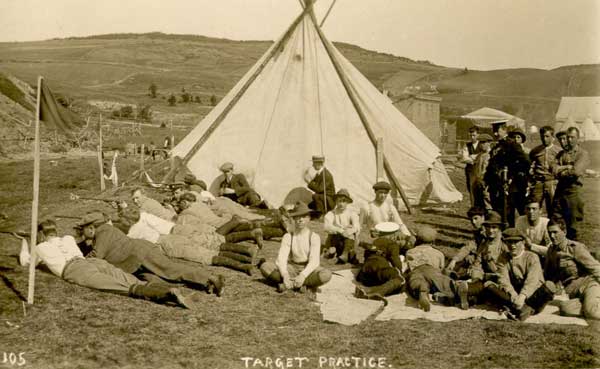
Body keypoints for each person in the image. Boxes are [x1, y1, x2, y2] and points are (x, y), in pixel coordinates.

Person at [33, 219, 191, 308]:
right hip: (90, 261)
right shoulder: (67, 238)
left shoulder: (40, 247)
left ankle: (163, 294)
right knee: (126, 277)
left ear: (41, 234)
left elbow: (26, 261)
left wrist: (25, 242)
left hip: (74, 269)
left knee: (116, 285)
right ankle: (169, 289)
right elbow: (78, 241)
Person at [77, 212, 225, 297]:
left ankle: (211, 277)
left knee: (171, 269)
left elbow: (97, 255)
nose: (80, 234)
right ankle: (203, 282)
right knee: (157, 279)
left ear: (91, 228)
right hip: (134, 260)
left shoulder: (103, 232)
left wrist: (79, 259)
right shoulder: (104, 231)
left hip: (141, 253)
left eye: (81, 230)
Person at [121, 207, 261, 276]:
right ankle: (245, 258)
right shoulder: (143, 217)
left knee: (204, 256)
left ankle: (243, 266)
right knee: (210, 247)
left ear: (127, 221)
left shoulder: (132, 232)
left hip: (166, 243)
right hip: (172, 236)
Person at [484, 228, 556, 321]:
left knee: (548, 287)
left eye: (516, 242)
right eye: (509, 242)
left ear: (523, 243)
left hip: (532, 294)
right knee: (490, 286)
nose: (512, 245)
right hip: (515, 294)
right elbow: (503, 279)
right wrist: (513, 294)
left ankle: (522, 309)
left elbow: (532, 280)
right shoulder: (503, 258)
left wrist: (523, 296)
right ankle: (523, 310)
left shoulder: (532, 257)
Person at [260, 202, 332, 293]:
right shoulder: (288, 236)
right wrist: (285, 275)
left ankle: (292, 284)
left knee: (326, 274)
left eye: (304, 217)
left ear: (309, 218)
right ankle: (301, 285)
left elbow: (314, 262)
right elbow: (281, 259)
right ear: (294, 218)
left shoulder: (314, 237)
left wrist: (303, 275)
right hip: (292, 268)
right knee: (265, 266)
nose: (301, 220)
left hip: (308, 269)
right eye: (298, 217)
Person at [403, 226, 471, 311]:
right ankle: (456, 288)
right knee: (442, 281)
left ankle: (422, 290)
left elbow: (407, 266)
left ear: (417, 239)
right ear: (433, 241)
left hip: (415, 271)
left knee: (415, 282)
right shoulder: (438, 254)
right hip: (431, 270)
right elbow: (441, 269)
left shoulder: (410, 252)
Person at [544, 218, 600, 320]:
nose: (552, 236)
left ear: (564, 232)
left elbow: (595, 268)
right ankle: (591, 304)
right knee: (565, 308)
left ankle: (592, 304)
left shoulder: (575, 248)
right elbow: (548, 277)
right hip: (574, 294)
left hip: (588, 286)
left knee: (592, 313)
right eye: (549, 233)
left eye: (555, 232)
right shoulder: (551, 252)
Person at [552, 127, 590, 240]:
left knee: (573, 226)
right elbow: (553, 169)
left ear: (578, 139)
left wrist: (561, 172)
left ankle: (574, 251)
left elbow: (576, 172)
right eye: (568, 137)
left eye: (572, 137)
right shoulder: (561, 154)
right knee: (556, 220)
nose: (569, 140)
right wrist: (566, 167)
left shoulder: (582, 154)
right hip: (560, 190)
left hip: (573, 191)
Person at [354, 223, 408, 300]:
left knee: (381, 280)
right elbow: (395, 260)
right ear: (392, 235)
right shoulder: (392, 244)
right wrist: (399, 271)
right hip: (379, 267)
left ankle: (367, 290)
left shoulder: (374, 242)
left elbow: (366, 257)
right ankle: (377, 292)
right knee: (400, 280)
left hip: (365, 275)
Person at [443, 207, 486, 278]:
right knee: (451, 265)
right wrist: (454, 260)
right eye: (471, 220)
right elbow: (468, 247)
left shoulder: (489, 233)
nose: (473, 222)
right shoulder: (478, 232)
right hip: (478, 259)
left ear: (483, 217)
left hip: (486, 261)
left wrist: (473, 262)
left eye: (476, 218)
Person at [528, 125, 561, 215]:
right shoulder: (535, 151)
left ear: (552, 137)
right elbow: (530, 164)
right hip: (538, 182)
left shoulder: (558, 151)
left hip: (551, 182)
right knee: (534, 206)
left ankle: (552, 227)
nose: (544, 139)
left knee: (553, 208)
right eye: (542, 136)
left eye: (547, 136)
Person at [323, 189, 360, 264]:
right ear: (336, 202)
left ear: (347, 203)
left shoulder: (352, 213)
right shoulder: (331, 213)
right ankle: (333, 252)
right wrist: (340, 230)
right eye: (339, 201)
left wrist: (349, 230)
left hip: (347, 240)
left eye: (344, 201)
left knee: (350, 232)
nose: (341, 204)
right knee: (335, 234)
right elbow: (326, 226)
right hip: (335, 238)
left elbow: (357, 226)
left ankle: (345, 254)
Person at [506, 128, 531, 225]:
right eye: (514, 137)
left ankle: (525, 226)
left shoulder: (527, 151)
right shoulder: (509, 151)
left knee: (523, 205)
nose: (516, 139)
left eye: (518, 137)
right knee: (510, 204)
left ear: (522, 139)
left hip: (524, 180)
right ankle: (511, 227)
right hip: (513, 180)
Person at [459, 126, 483, 206]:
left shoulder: (482, 144)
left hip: (480, 169)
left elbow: (485, 155)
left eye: (474, 135)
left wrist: (473, 156)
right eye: (471, 135)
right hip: (471, 170)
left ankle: (483, 208)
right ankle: (474, 208)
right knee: (471, 189)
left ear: (478, 135)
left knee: (481, 188)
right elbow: (464, 158)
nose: (472, 137)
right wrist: (475, 158)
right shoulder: (467, 145)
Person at [469, 133, 494, 211]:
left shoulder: (491, 155)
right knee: (477, 200)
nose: (481, 145)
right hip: (477, 181)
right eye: (480, 142)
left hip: (486, 181)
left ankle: (489, 214)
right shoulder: (479, 155)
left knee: (486, 199)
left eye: (483, 142)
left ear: (489, 143)